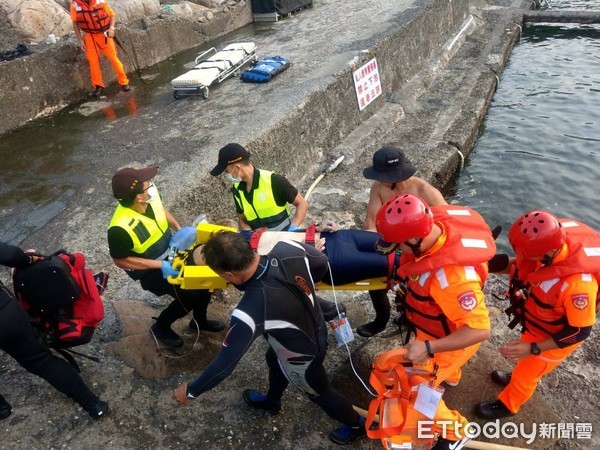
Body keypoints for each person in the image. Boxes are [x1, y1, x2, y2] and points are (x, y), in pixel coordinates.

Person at [173, 231, 367, 445]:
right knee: (273, 359)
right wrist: (307, 284)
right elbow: (321, 261)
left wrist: (191, 391)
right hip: (314, 328)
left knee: (321, 393)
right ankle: (272, 401)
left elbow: (223, 366)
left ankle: (359, 425)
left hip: (301, 357)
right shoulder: (288, 248)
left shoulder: (250, 312)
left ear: (229, 275)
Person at [476, 210, 598, 419]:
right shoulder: (544, 252)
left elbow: (580, 331)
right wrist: (482, 264)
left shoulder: (578, 287)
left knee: (529, 373)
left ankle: (508, 405)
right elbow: (519, 266)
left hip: (554, 338)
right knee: (525, 364)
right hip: (537, 325)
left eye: (524, 252)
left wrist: (534, 348)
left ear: (547, 252)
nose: (520, 256)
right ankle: (517, 375)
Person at [375, 194, 494, 384]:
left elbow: (479, 330)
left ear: (414, 239)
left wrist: (428, 348)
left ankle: (441, 381)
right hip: (434, 325)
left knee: (420, 384)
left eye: (397, 245)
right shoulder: (435, 225)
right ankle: (452, 376)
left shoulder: (451, 280)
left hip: (449, 341)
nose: (397, 250)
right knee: (447, 370)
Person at [107, 166, 224, 348]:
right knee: (188, 296)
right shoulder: (119, 229)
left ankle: (199, 321)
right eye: (148, 184)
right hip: (151, 271)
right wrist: (160, 265)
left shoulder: (149, 196)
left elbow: (161, 209)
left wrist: (179, 229)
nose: (152, 185)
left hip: (173, 251)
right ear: (139, 197)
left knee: (205, 282)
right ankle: (160, 327)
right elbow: (120, 260)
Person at [0, 241, 107, 420]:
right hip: (5, 314)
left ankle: (2, 409)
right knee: (43, 362)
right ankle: (93, 404)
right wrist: (27, 259)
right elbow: (8, 255)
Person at [358, 146, 448, 337]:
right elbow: (371, 221)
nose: (379, 179)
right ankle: (381, 321)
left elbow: (446, 227)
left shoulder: (426, 192)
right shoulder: (379, 187)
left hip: (419, 250)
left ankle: (411, 317)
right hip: (391, 243)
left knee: (415, 289)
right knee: (376, 279)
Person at [210, 143, 308, 231]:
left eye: (227, 172)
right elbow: (242, 219)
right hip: (260, 244)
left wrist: (293, 228)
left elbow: (301, 204)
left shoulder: (274, 181)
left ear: (237, 168)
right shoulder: (237, 189)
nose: (226, 176)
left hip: (283, 237)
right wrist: (247, 234)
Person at [71, 0, 130, 97]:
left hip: (104, 34)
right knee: (93, 62)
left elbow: (112, 15)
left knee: (114, 59)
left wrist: (111, 29)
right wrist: (80, 40)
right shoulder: (74, 3)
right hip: (89, 36)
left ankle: (124, 82)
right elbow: (75, 22)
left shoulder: (100, 1)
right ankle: (98, 86)